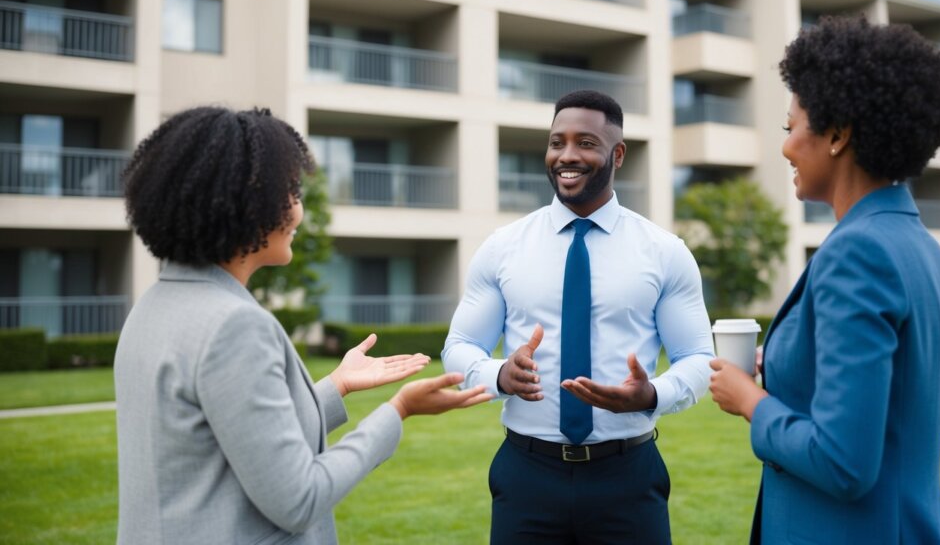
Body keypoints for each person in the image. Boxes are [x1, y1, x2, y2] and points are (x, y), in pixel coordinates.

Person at [114, 106, 492, 545]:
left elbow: (237, 432)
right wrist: (397, 411)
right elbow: (298, 499)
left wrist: (337, 386)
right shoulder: (233, 326)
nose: (297, 212)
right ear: (246, 206)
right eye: (289, 192)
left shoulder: (153, 306)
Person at [708, 15, 940, 544]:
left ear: (839, 134)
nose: (785, 147)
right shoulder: (919, 245)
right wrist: (780, 370)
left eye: (790, 126)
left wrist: (748, 400)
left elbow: (844, 462)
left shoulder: (858, 252)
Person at [442, 90, 715, 544]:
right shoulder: (502, 248)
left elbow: (698, 357)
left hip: (628, 476)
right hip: (526, 474)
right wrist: (499, 375)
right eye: (557, 142)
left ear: (618, 154)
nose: (567, 156)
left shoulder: (665, 253)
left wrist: (651, 394)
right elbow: (458, 347)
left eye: (586, 143)